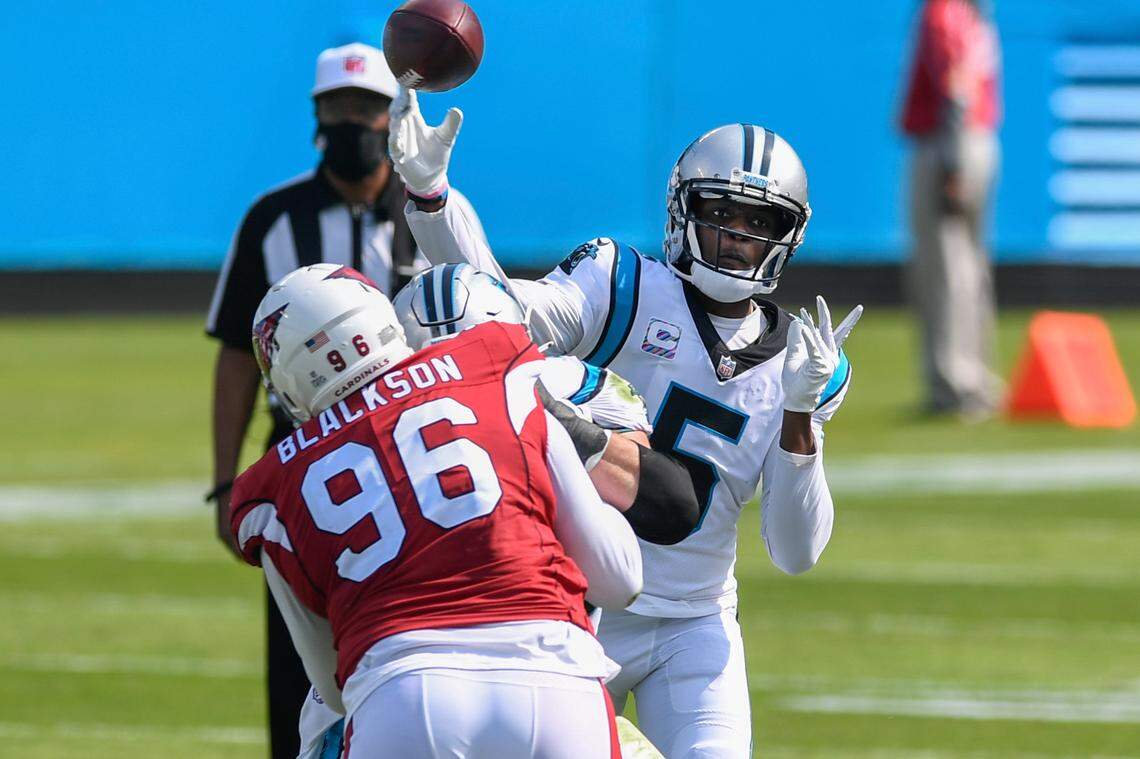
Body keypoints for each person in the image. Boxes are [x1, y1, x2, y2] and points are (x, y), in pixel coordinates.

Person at [388, 90, 862, 757]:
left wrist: (800, 413)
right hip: (575, 607)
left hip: (696, 621)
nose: (737, 237)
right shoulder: (621, 283)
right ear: (682, 212)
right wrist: (433, 199)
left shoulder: (803, 362)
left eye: (757, 222)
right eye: (720, 214)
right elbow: (494, 316)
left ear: (785, 236)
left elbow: (795, 548)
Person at [230, 263, 643, 757]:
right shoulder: (497, 374)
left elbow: (334, 684)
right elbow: (620, 581)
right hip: (553, 677)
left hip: (404, 698)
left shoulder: (273, 484)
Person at [203, 43, 487, 758]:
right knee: (300, 656)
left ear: (391, 114)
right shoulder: (274, 218)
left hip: (420, 442)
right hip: (300, 447)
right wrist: (224, 477)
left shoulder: (428, 209)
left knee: (426, 620)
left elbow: (485, 311)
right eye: (338, 108)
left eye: (365, 108)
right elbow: (237, 353)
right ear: (316, 116)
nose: (352, 122)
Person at [900, 0, 1003, 418]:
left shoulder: (943, 11)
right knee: (970, 264)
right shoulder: (978, 13)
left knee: (944, 267)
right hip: (981, 137)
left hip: (949, 141)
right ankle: (977, 376)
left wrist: (952, 158)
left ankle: (955, 385)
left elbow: (954, 81)